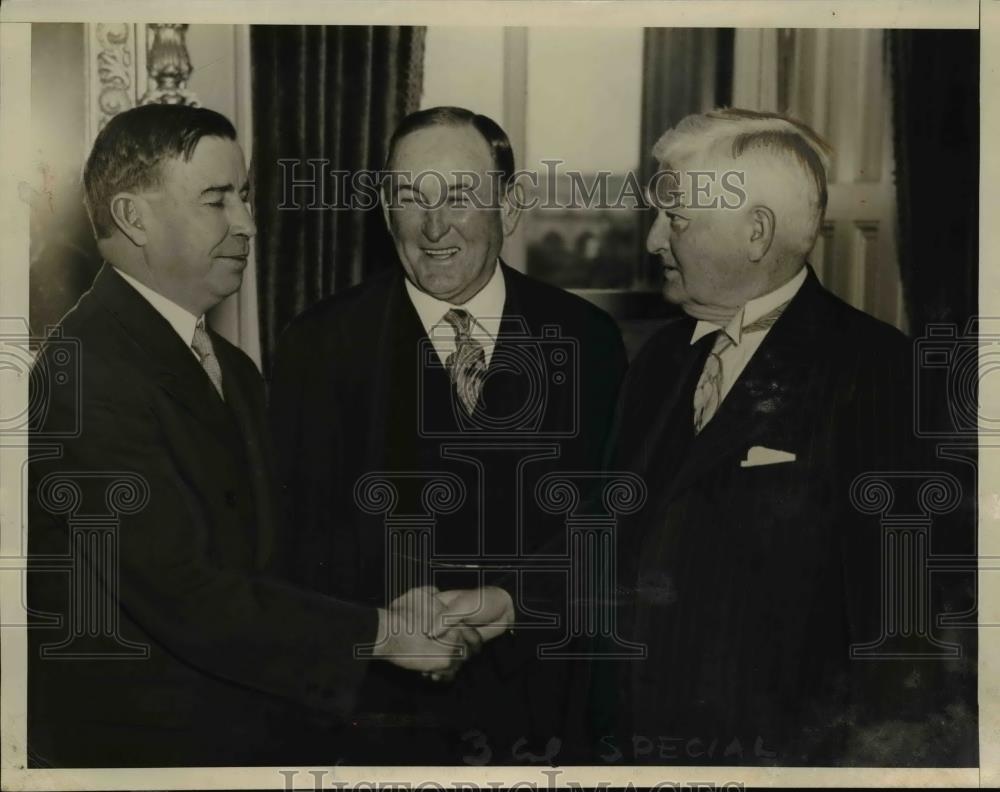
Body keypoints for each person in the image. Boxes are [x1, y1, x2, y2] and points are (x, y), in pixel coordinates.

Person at [27, 103, 486, 768]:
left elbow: (272, 558)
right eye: (218, 200)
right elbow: (185, 591)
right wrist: (382, 633)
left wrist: (389, 609)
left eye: (244, 197)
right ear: (133, 218)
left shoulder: (231, 369)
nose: (246, 224)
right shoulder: (79, 374)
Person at [269, 106, 628, 763]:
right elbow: (296, 541)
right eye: (411, 196)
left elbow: (606, 529)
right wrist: (396, 627)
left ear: (511, 205)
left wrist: (510, 607)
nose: (435, 226)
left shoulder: (589, 341)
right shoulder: (316, 345)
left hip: (543, 711)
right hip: (373, 717)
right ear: (385, 210)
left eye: (460, 194)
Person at [599, 108, 940, 764]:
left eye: (674, 220)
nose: (651, 243)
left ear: (755, 233)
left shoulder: (880, 375)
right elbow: (612, 539)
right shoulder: (660, 360)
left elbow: (904, 641)